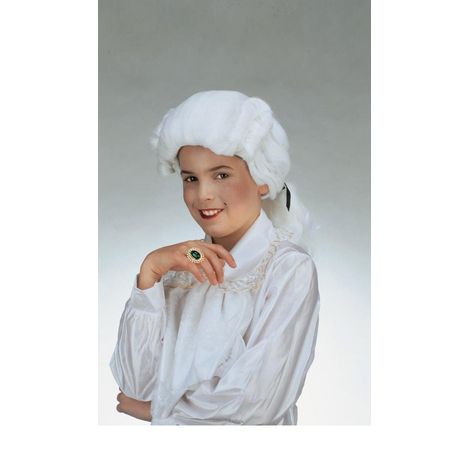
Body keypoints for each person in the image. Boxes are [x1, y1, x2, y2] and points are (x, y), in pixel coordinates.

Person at [109, 90, 320, 425]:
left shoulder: (288, 269)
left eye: (221, 174)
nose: (203, 194)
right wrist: (150, 272)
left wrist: (157, 411)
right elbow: (136, 385)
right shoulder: (178, 272)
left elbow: (258, 401)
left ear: (262, 179)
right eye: (191, 178)